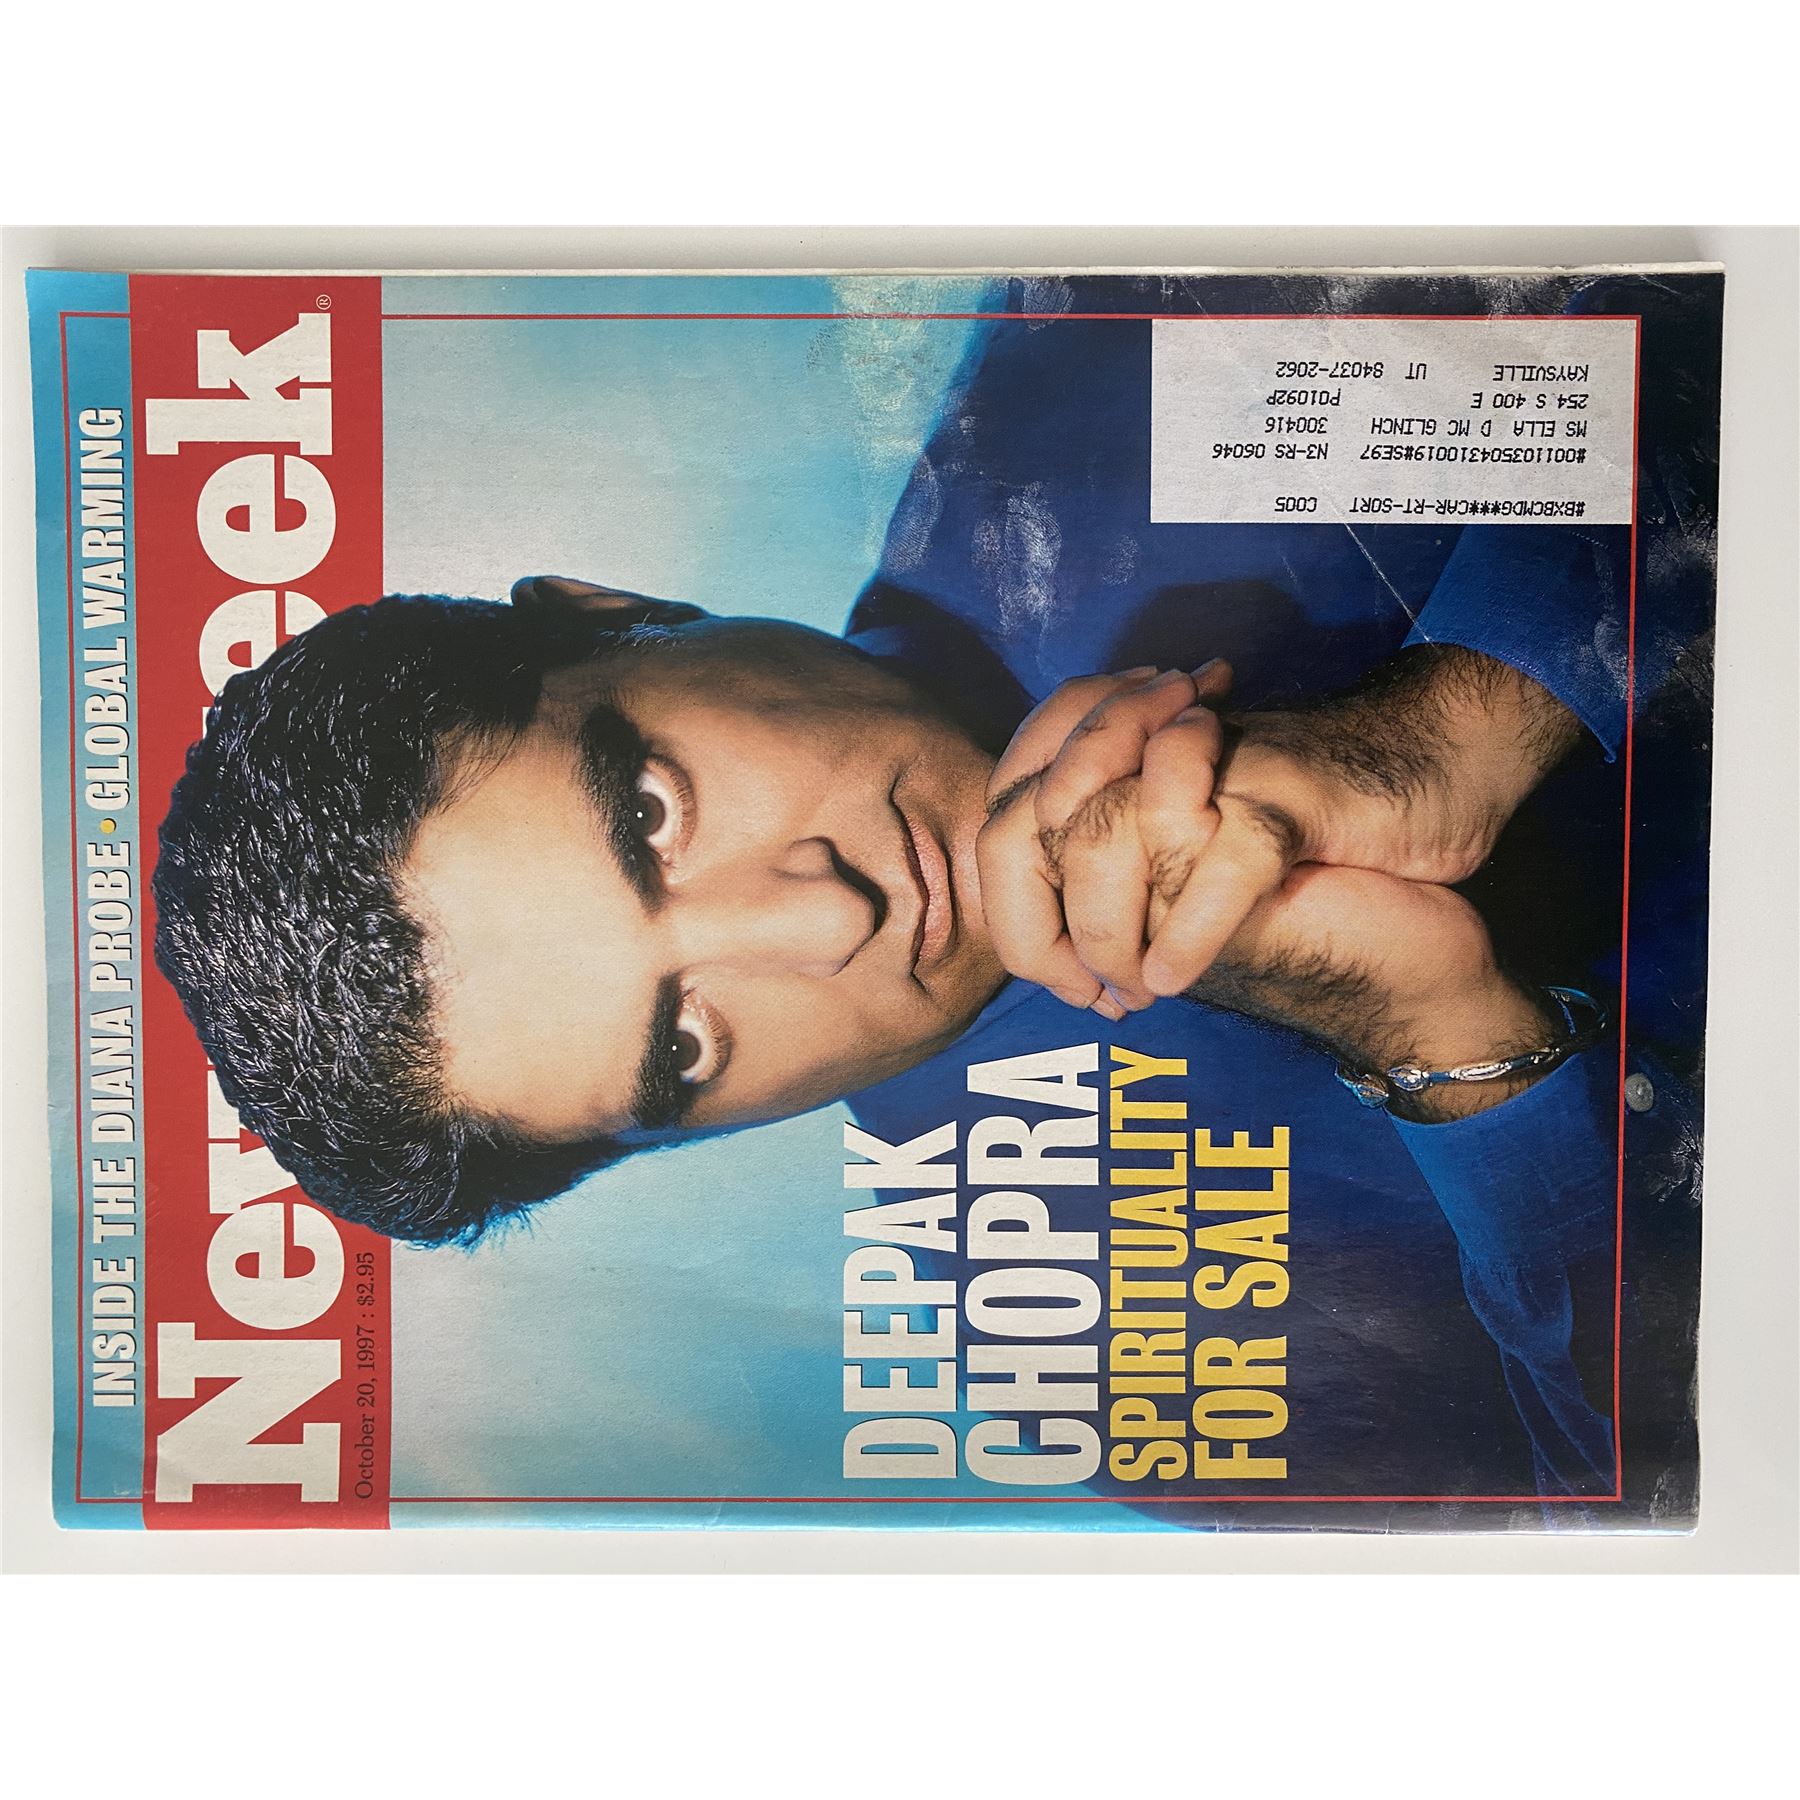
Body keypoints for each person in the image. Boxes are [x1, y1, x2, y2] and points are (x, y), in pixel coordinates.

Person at [154, 274, 1715, 1504]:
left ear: (613, 610)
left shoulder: (1114, 366)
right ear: (682, 1146)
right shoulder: (1080, 1340)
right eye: (683, 1045)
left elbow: (1694, 314)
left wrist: (1459, 721)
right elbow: (1638, 1530)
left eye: (651, 812)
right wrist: (1439, 1037)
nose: (827, 916)